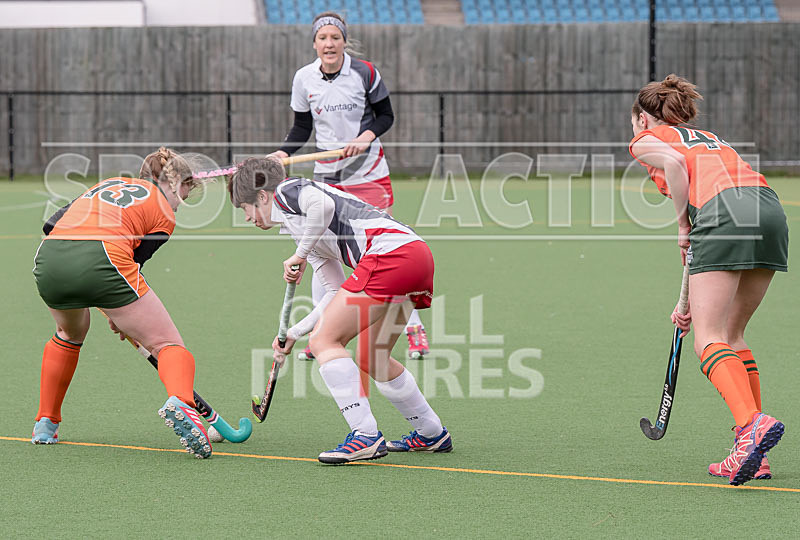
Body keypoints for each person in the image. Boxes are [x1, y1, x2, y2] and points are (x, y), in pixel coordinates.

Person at [228, 157, 452, 464]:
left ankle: (365, 436)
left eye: (245, 208)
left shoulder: (289, 190)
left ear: (262, 196)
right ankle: (431, 432)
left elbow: (324, 207)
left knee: (324, 343)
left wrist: (300, 254)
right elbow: (335, 293)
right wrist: (294, 332)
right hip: (415, 258)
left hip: (390, 256)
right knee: (373, 356)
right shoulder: (300, 229)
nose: (247, 218)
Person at [629, 74, 787, 486]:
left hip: (722, 212)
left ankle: (750, 427)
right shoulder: (709, 137)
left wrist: (683, 225)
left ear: (643, 120)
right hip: (768, 208)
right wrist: (692, 307)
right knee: (731, 333)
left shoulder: (647, 140)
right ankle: (754, 451)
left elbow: (677, 166)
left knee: (709, 337)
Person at [31, 147, 212, 459]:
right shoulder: (164, 213)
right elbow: (133, 265)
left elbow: (51, 226)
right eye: (183, 194)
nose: (180, 205)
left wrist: (116, 310)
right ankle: (183, 402)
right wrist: (118, 311)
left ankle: (45, 424)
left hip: (50, 259)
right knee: (168, 344)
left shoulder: (109, 183)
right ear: (172, 183)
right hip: (105, 260)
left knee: (69, 333)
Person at [270, 11, 428, 361]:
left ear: (344, 42)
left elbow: (386, 115)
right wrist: (282, 152)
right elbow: (301, 129)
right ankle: (323, 333)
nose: (329, 44)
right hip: (329, 179)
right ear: (315, 43)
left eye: (335, 38)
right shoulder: (304, 79)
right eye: (323, 38)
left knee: (381, 253)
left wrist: (365, 137)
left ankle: (415, 329)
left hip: (369, 173)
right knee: (323, 255)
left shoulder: (364, 72)